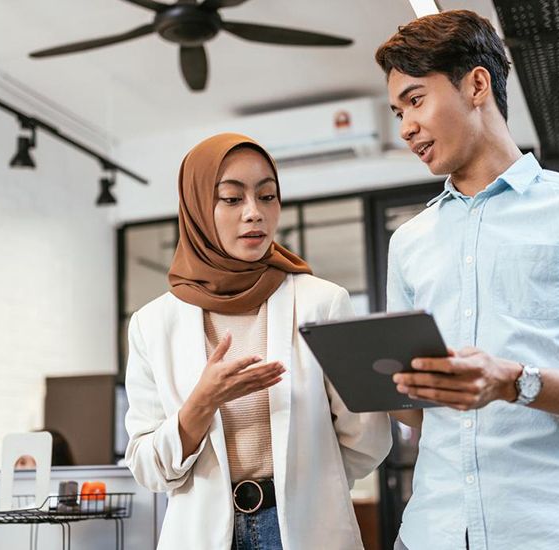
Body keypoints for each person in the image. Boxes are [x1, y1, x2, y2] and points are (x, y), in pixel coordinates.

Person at [375, 10, 559, 550]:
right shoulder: (407, 242)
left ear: (477, 84)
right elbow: (413, 413)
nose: (405, 128)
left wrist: (512, 382)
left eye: (415, 100)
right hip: (431, 535)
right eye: (397, 112)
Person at [123, 133, 392, 550]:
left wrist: (309, 487)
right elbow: (146, 467)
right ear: (196, 207)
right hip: (203, 534)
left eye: (267, 197)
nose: (254, 213)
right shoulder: (153, 323)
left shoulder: (321, 302)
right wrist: (201, 404)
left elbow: (368, 437)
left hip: (304, 530)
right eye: (232, 199)